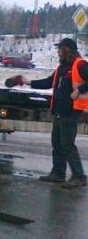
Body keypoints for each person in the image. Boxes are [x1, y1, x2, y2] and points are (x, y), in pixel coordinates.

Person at [12, 37, 88, 189]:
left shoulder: (80, 64)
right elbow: (48, 82)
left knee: (67, 144)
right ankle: (58, 173)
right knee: (57, 143)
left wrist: (78, 90)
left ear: (66, 49)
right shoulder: (62, 68)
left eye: (60, 49)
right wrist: (28, 82)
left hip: (71, 110)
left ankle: (79, 176)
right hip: (60, 110)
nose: (58, 52)